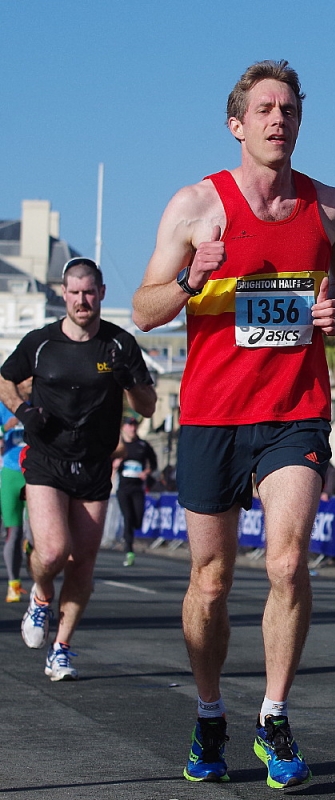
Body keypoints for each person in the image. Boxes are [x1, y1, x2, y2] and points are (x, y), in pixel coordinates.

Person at [132, 60, 335, 788]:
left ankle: (274, 715)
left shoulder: (330, 209)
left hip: (295, 409)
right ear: (236, 124)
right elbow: (143, 309)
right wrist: (191, 278)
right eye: (264, 109)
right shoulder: (197, 205)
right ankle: (209, 714)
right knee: (211, 580)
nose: (277, 120)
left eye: (288, 109)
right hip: (213, 414)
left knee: (288, 562)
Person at [0, 257, 156, 681]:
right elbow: (5, 379)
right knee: (53, 551)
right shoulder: (41, 342)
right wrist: (23, 412)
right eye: (74, 293)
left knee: (83, 561)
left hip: (94, 464)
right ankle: (40, 595)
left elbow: (147, 407)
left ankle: (62, 648)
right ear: (64, 294)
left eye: (89, 292)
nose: (82, 300)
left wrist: (130, 382)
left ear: (101, 293)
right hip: (47, 458)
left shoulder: (120, 343)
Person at [113, 416, 158, 566]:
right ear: (123, 428)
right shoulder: (119, 446)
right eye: (129, 425)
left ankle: (131, 536)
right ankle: (129, 551)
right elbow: (107, 463)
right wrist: (115, 465)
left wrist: (146, 472)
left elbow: (154, 464)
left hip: (138, 488)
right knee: (128, 518)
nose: (132, 428)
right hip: (123, 489)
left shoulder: (143, 445)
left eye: (134, 425)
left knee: (137, 520)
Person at [0, 391, 28, 602]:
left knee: (35, 532)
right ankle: (13, 584)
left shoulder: (39, 401)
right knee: (14, 531)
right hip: (11, 473)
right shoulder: (2, 406)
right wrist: (5, 428)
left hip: (35, 472)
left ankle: (40, 583)